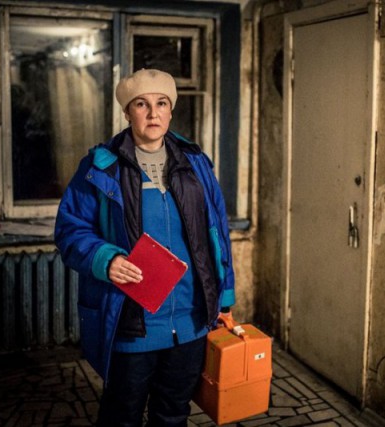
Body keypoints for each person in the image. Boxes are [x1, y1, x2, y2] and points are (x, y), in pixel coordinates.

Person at [54, 68, 235, 426]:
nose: (153, 113)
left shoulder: (196, 163)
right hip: (132, 323)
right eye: (141, 104)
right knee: (122, 415)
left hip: (191, 321)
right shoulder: (100, 167)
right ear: (127, 112)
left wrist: (224, 299)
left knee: (173, 413)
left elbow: (218, 233)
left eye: (161, 103)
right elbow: (70, 229)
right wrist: (105, 259)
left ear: (171, 110)